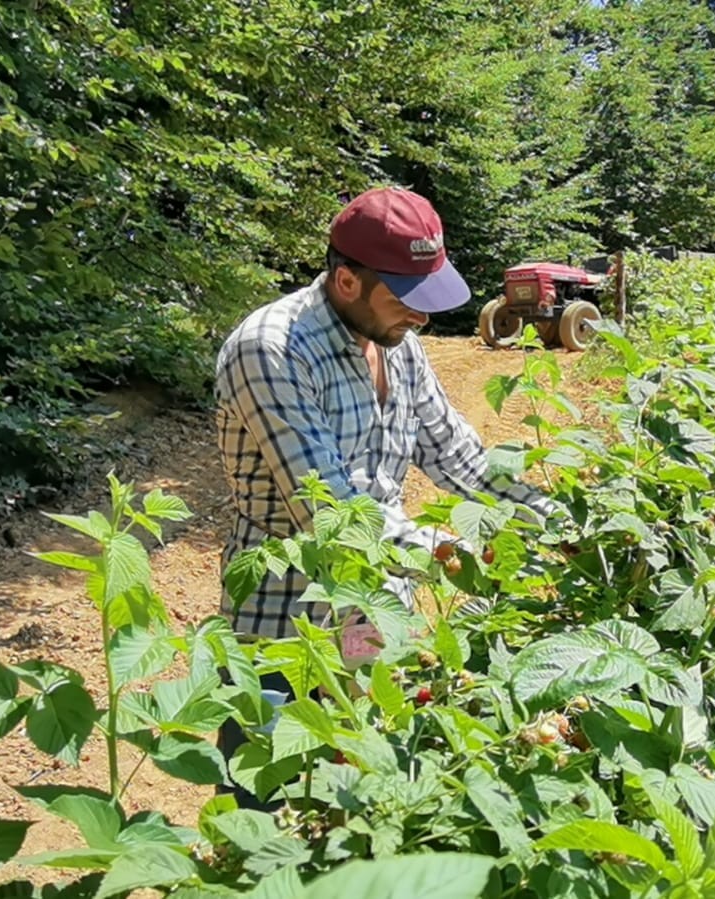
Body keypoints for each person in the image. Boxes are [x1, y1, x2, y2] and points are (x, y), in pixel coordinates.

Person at [212, 186, 555, 804]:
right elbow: (333, 516)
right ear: (347, 281)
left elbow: (458, 455)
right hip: (283, 630)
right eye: (408, 299)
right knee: (263, 815)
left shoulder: (401, 346)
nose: (423, 317)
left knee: (357, 804)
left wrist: (551, 516)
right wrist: (453, 550)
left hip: (369, 619)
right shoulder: (270, 349)